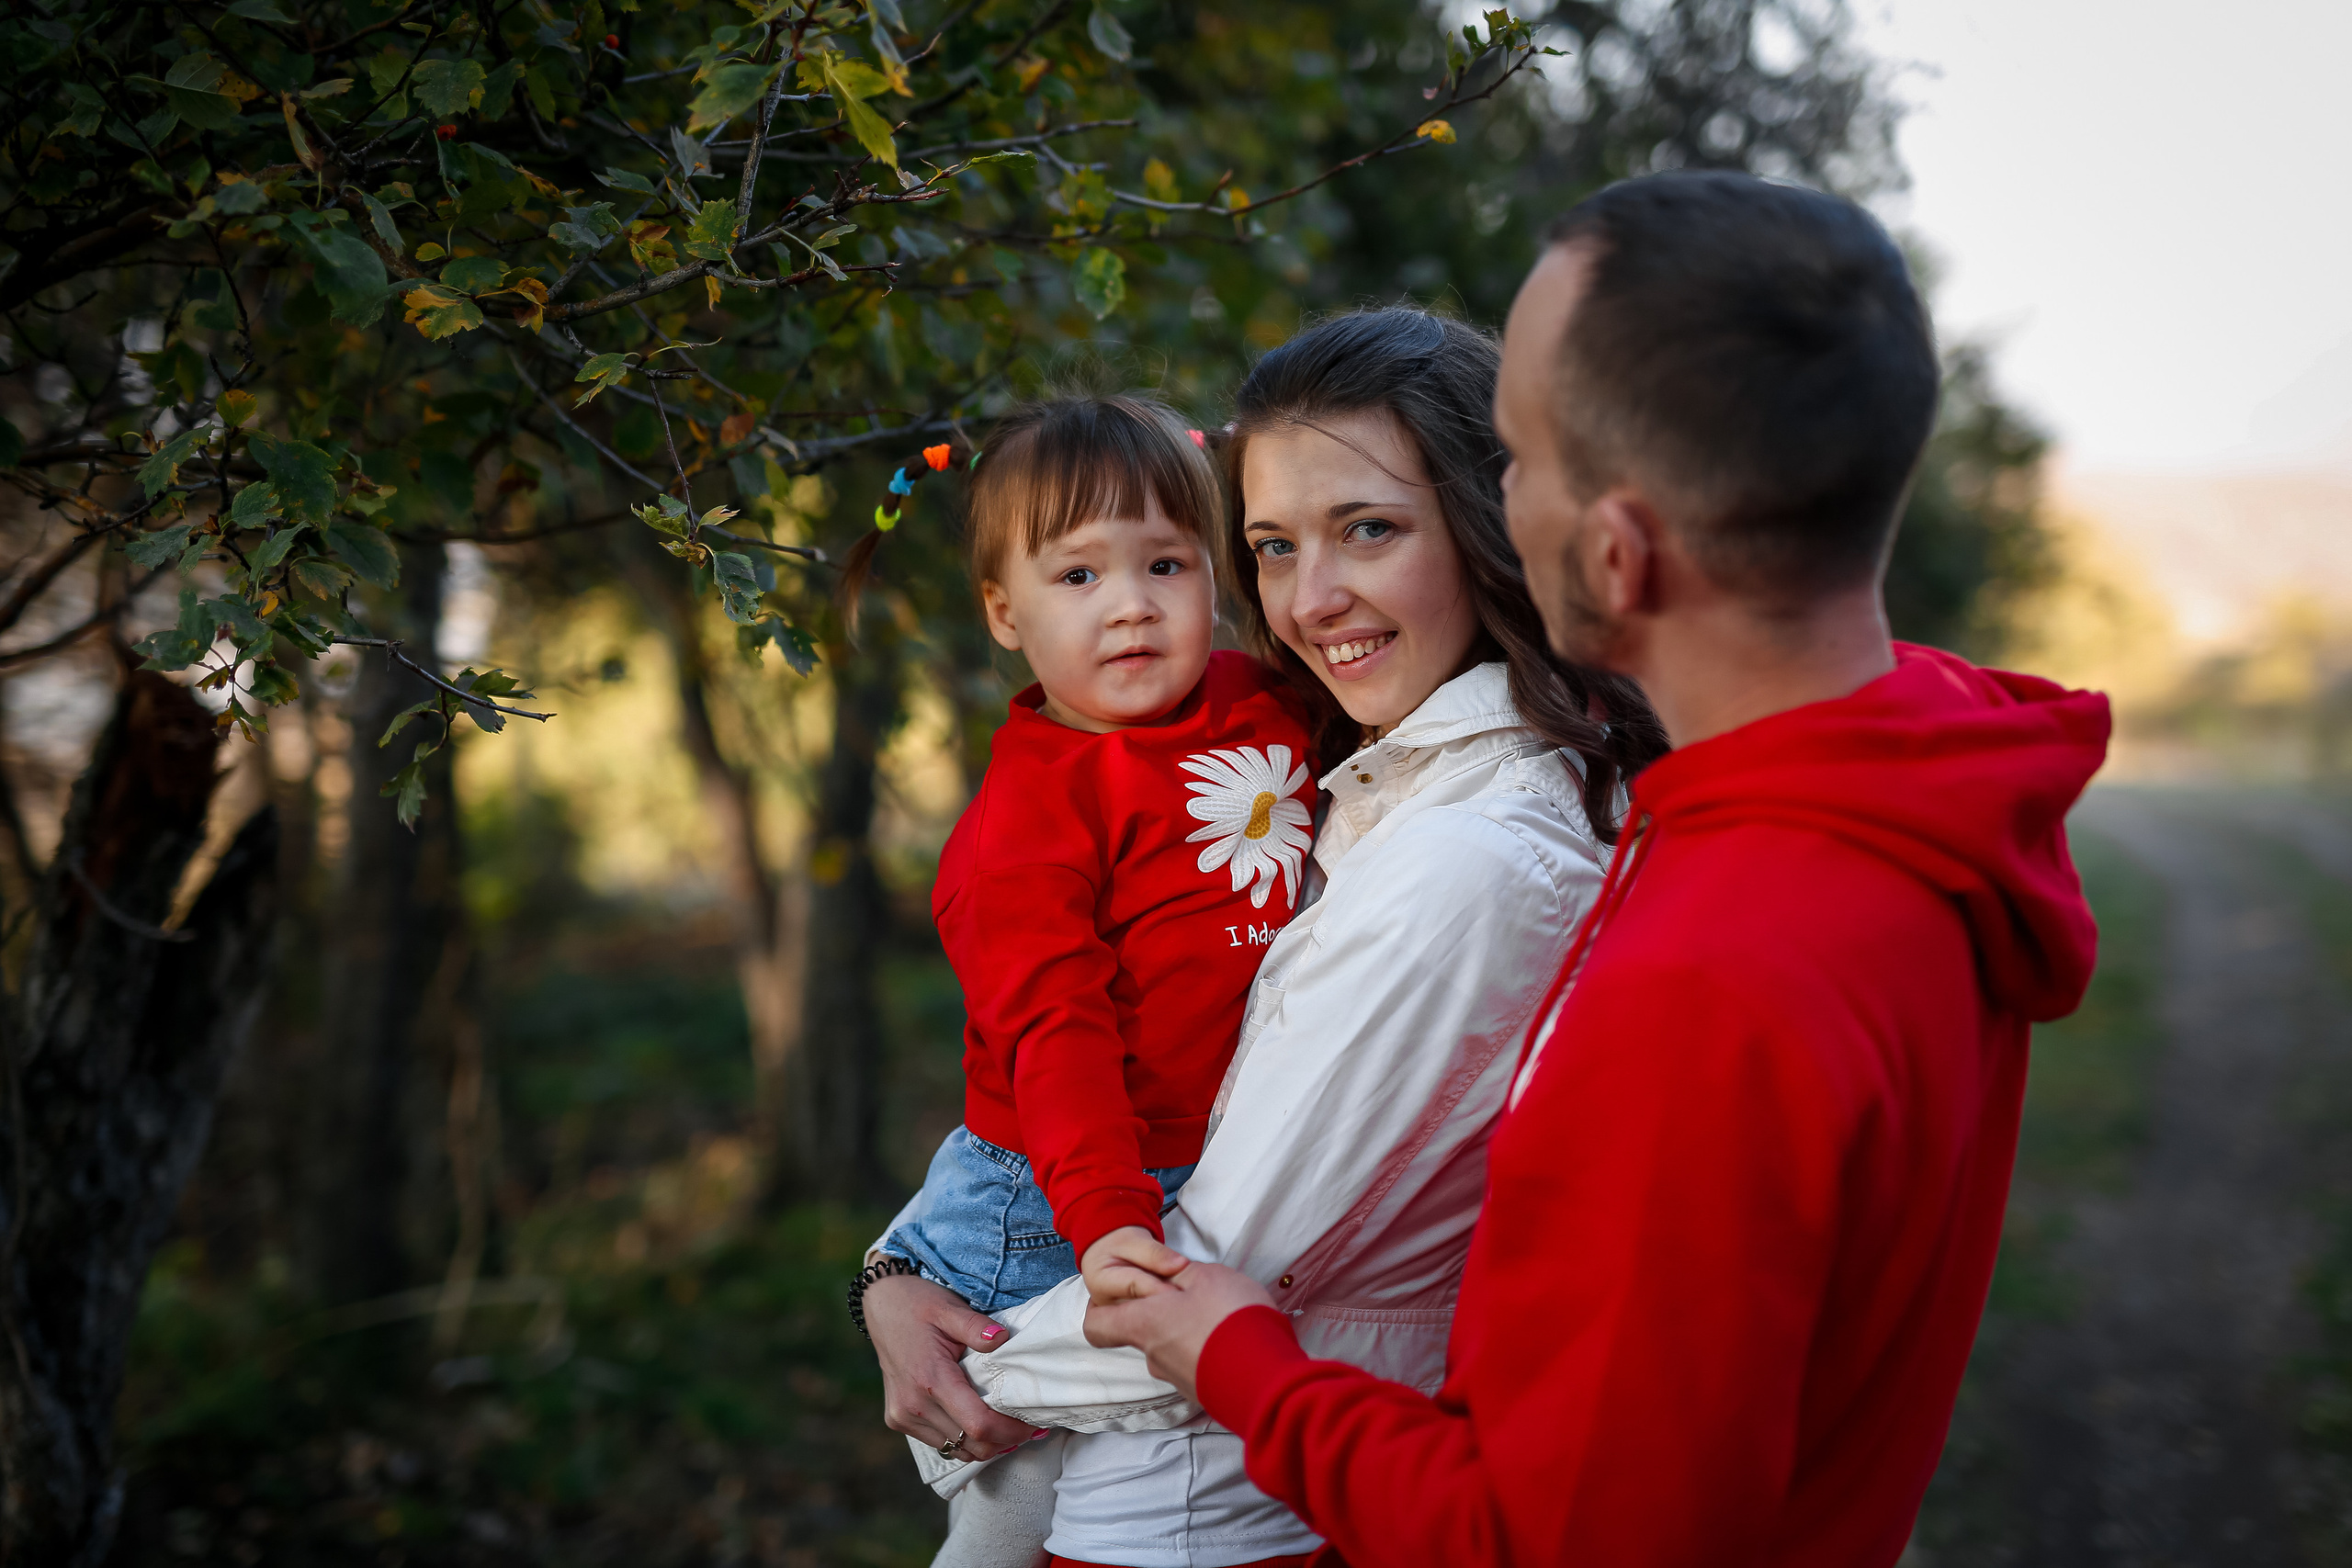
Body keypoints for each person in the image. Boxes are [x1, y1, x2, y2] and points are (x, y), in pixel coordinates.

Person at [1085, 172, 2115, 1566]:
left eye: (1510, 461)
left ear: (1615, 547)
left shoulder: (1709, 981)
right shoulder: (1909, 803)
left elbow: (1550, 1540)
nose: (1498, 499)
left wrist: (1251, 1363)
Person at [862, 309, 1663, 1568]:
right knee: (998, 1517)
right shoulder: (1348, 753)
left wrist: (939, 1341)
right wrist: (904, 1268)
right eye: (1275, 546)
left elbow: (1219, 1268)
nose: (1309, 600)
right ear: (1004, 611)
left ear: (1488, 521)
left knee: (999, 1502)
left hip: (1197, 1480)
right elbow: (1051, 1035)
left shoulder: (1458, 848)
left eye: (1370, 529)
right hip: (1103, 1248)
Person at [849, 394, 1319, 1358]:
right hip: (1057, 1193)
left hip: (1216, 1155)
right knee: (1023, 1476)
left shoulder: (1262, 699)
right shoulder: (1024, 826)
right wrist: (1107, 1220)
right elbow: (1055, 1032)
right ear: (1002, 612)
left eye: (1165, 564)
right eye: (1076, 573)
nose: (1131, 603)